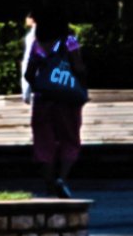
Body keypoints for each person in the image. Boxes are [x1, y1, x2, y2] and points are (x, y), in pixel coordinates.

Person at [27, 16, 88, 192]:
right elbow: (78, 67)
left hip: (43, 98)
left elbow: (29, 74)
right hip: (68, 99)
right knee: (70, 138)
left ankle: (49, 183)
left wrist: (40, 86)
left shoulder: (37, 44)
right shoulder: (70, 41)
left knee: (43, 140)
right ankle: (62, 178)